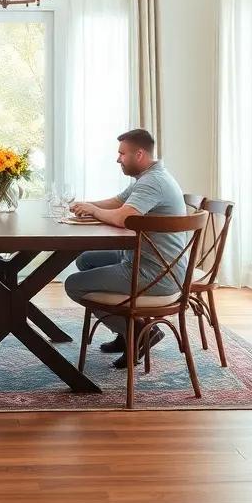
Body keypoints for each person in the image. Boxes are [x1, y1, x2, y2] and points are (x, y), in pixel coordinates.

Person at [64, 128, 187, 367]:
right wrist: (84, 205)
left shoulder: (153, 183)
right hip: (149, 260)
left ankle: (139, 333)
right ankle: (124, 332)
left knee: (73, 284)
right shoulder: (149, 176)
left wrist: (93, 210)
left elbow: (124, 218)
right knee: (86, 260)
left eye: (122, 153)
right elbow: (118, 202)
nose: (117, 159)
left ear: (139, 154)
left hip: (156, 275)